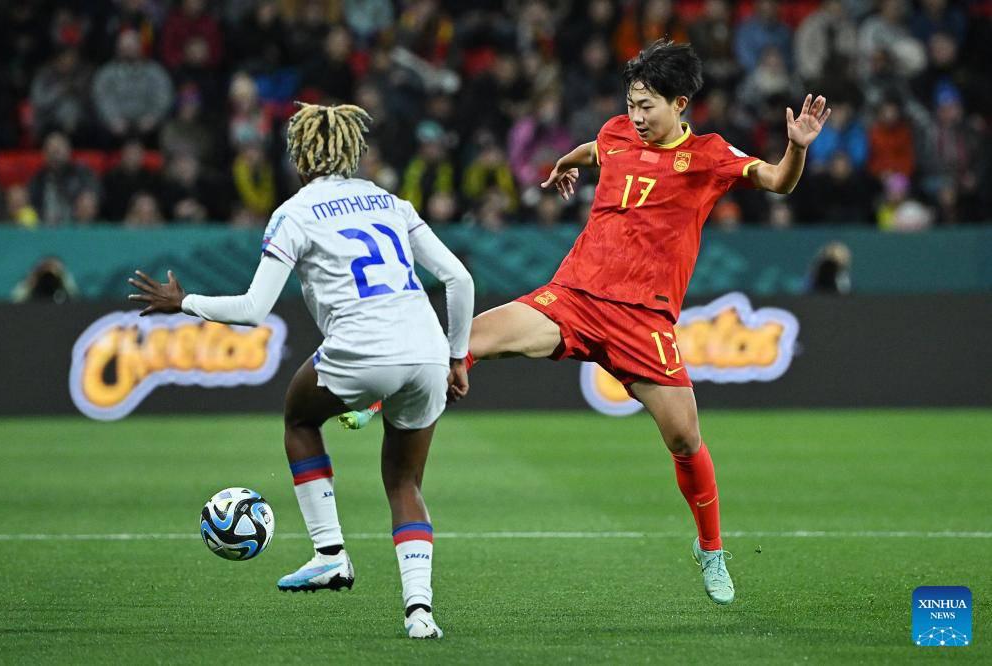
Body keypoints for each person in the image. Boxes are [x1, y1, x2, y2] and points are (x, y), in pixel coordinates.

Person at [341, 39, 831, 607]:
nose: (636, 117)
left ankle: (711, 549)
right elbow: (596, 149)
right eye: (631, 104)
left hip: (642, 320)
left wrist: (796, 149)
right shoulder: (618, 133)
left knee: (684, 438)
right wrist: (565, 164)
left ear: (679, 104)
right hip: (574, 297)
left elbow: (777, 181)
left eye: (648, 106)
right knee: (468, 337)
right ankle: (379, 397)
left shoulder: (708, 155)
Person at [128, 102, 474, 639]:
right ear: (351, 152)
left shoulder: (294, 213)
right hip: (427, 349)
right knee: (405, 482)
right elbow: (459, 280)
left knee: (299, 416)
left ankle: (330, 553)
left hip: (362, 348)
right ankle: (419, 613)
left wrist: (185, 302)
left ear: (299, 156)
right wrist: (456, 356)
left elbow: (253, 310)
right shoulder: (391, 201)